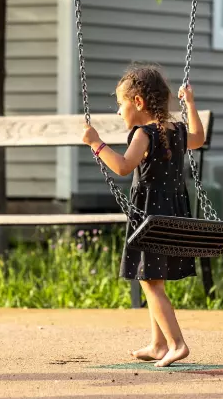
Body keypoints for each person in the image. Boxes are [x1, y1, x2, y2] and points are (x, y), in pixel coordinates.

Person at [82, 64, 205, 367]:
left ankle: (176, 343)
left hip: (150, 215)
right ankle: (157, 344)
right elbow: (199, 138)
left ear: (138, 102)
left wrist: (96, 144)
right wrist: (190, 104)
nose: (118, 111)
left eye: (120, 104)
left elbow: (124, 166)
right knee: (154, 278)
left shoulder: (143, 134)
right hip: (173, 213)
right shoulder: (176, 131)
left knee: (150, 282)